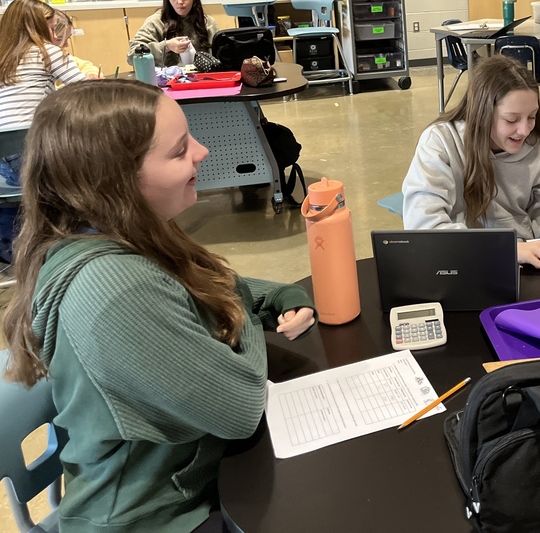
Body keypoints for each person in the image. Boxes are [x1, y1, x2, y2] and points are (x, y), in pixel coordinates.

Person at [1, 79, 317, 533]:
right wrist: (237, 307)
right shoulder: (115, 290)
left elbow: (211, 285)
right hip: (158, 517)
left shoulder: (119, 235)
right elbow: (241, 407)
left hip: (190, 486)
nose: (203, 152)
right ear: (115, 183)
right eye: (179, 150)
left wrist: (277, 297)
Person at [403, 55, 540, 268]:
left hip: (523, 264)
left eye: (532, 116)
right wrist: (503, 250)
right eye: (511, 120)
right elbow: (424, 227)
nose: (524, 130)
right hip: (458, 263)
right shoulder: (440, 142)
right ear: (482, 113)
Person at [0, 0, 89, 129]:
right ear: (39, 26)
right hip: (31, 132)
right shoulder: (46, 52)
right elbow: (86, 90)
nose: (55, 35)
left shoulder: (5, 57)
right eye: (53, 28)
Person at [128, 0, 219, 67]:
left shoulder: (207, 22)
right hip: (166, 79)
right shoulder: (155, 22)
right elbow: (132, 56)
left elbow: (221, 57)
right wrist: (166, 46)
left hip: (202, 78)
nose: (179, 2)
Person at [49, 9, 101, 79]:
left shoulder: (63, 55)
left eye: (68, 38)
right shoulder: (52, 56)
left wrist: (91, 73)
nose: (66, 44)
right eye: (60, 39)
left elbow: (85, 65)